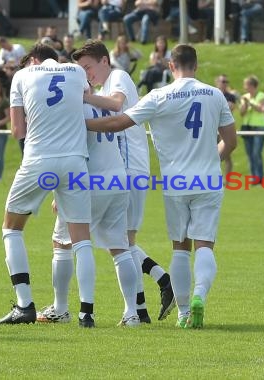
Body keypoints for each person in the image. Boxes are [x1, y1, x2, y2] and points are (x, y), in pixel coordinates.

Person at [85, 44, 237, 329]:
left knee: (180, 248)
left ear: (170, 66)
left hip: (175, 182)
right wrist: (213, 158)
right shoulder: (215, 94)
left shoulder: (159, 95)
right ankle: (199, 296)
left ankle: (182, 313)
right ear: (196, 65)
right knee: (205, 245)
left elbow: (118, 122)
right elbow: (231, 141)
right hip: (208, 178)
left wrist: (83, 123)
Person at [74, 40, 176, 322]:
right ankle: (142, 307)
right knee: (120, 242)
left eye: (88, 67)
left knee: (120, 243)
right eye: (82, 70)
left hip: (128, 170)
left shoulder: (118, 77)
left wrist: (83, 97)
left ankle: (161, 283)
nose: (86, 74)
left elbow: (118, 104)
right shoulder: (103, 86)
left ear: (104, 61)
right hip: (123, 170)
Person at [0, 44, 93, 325]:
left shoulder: (23, 76)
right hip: (75, 161)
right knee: (81, 239)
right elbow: (89, 100)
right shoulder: (75, 71)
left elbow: (17, 131)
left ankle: (25, 305)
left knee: (11, 229)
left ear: (34, 60)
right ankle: (86, 312)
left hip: (38, 160)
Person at [44, 102, 140, 327]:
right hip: (118, 179)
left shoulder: (75, 108)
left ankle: (66, 309)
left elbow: (72, 152)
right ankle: (132, 312)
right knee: (120, 248)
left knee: (64, 243)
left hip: (88, 182)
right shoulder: (104, 104)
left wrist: (58, 193)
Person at [239, 75, 264, 182]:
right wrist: (245, 104)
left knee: (256, 152)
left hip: (259, 127)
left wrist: (250, 102)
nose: (244, 87)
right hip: (247, 127)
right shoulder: (244, 97)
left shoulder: (261, 96)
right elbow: (242, 113)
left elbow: (260, 109)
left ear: (252, 85)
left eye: (246, 85)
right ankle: (253, 177)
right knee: (249, 153)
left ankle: (260, 176)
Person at [215, 74, 238, 178]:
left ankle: (227, 180)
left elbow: (231, 108)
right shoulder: (213, 94)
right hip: (213, 128)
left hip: (224, 128)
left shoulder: (230, 96)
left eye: (226, 82)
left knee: (226, 156)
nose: (225, 84)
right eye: (223, 81)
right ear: (217, 82)